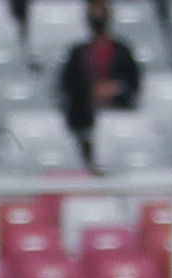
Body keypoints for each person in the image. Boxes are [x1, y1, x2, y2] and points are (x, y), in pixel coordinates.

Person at [59, 0, 142, 169]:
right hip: (84, 115)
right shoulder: (78, 52)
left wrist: (115, 88)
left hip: (119, 112)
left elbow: (133, 82)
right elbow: (68, 84)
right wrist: (91, 91)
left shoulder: (122, 51)